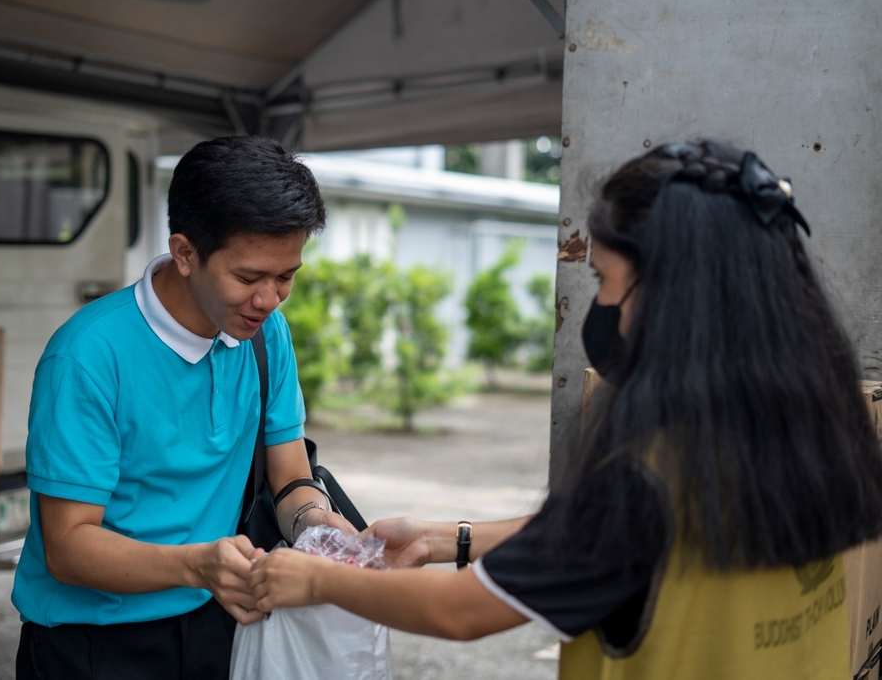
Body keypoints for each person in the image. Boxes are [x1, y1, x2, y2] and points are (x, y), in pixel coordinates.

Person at [249, 140, 882, 679]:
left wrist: (315, 581)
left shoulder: (653, 472)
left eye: (606, 281)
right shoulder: (803, 423)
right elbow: (615, 538)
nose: (600, 307)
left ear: (674, 298)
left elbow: (461, 612)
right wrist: (443, 538)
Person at [13, 136, 353, 680]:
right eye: (247, 278)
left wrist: (318, 528)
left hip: (215, 619)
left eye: (286, 276)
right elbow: (68, 547)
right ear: (185, 252)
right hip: (94, 642)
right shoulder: (88, 355)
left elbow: (289, 472)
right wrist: (198, 563)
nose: (268, 299)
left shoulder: (267, 336)